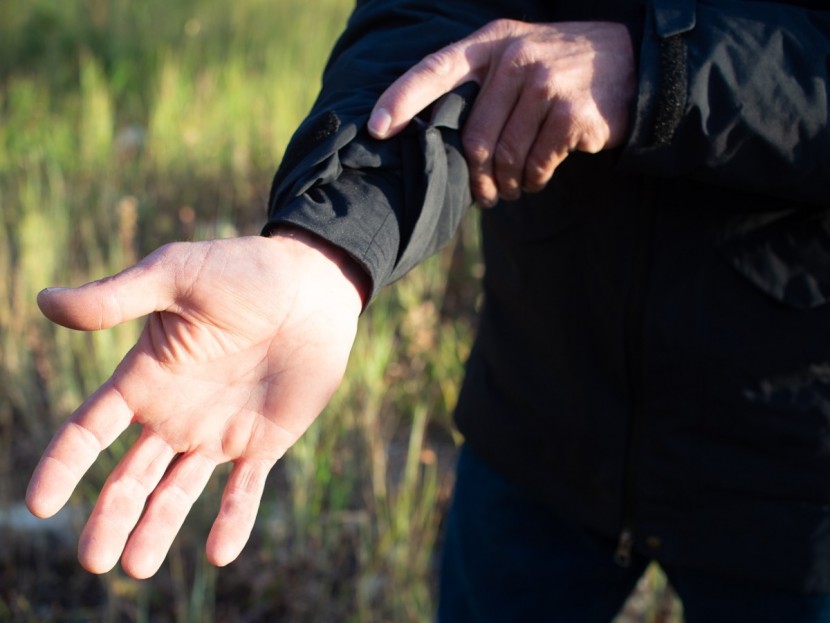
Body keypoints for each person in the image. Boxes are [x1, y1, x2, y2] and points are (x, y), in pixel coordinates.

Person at [26, 0, 830, 620]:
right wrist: (329, 245)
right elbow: (430, 16)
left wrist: (662, 72)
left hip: (794, 453)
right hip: (539, 409)